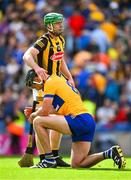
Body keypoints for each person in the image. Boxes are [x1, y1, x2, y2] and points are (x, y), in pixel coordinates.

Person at [24, 69, 126, 169]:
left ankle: (49, 159)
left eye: (34, 85)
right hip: (87, 121)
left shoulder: (49, 82)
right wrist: (37, 110)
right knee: (77, 164)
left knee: (38, 121)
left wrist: (33, 115)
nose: (36, 89)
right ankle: (109, 153)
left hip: (78, 119)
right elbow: (54, 109)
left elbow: (45, 111)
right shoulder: (59, 80)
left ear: (38, 77)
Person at [23, 12, 75, 167]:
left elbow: (61, 59)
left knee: (56, 116)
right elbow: (27, 56)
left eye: (61, 22)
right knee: (42, 120)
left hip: (57, 84)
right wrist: (37, 68)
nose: (61, 25)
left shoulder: (60, 39)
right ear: (49, 25)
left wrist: (69, 77)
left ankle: (55, 155)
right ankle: (45, 157)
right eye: (58, 23)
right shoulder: (44, 40)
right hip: (43, 86)